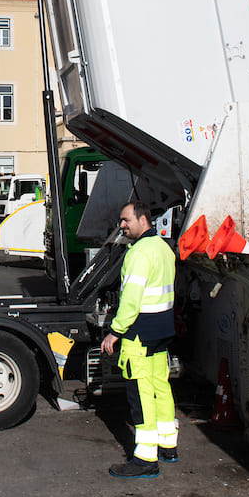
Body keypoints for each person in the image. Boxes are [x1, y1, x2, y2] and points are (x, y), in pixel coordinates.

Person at [101, 201, 178, 478]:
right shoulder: (163, 249)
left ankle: (145, 459)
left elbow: (131, 300)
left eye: (125, 220)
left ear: (143, 220)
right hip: (161, 330)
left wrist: (115, 331)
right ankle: (168, 446)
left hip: (139, 333)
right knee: (160, 387)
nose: (121, 225)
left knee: (140, 393)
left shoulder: (138, 254)